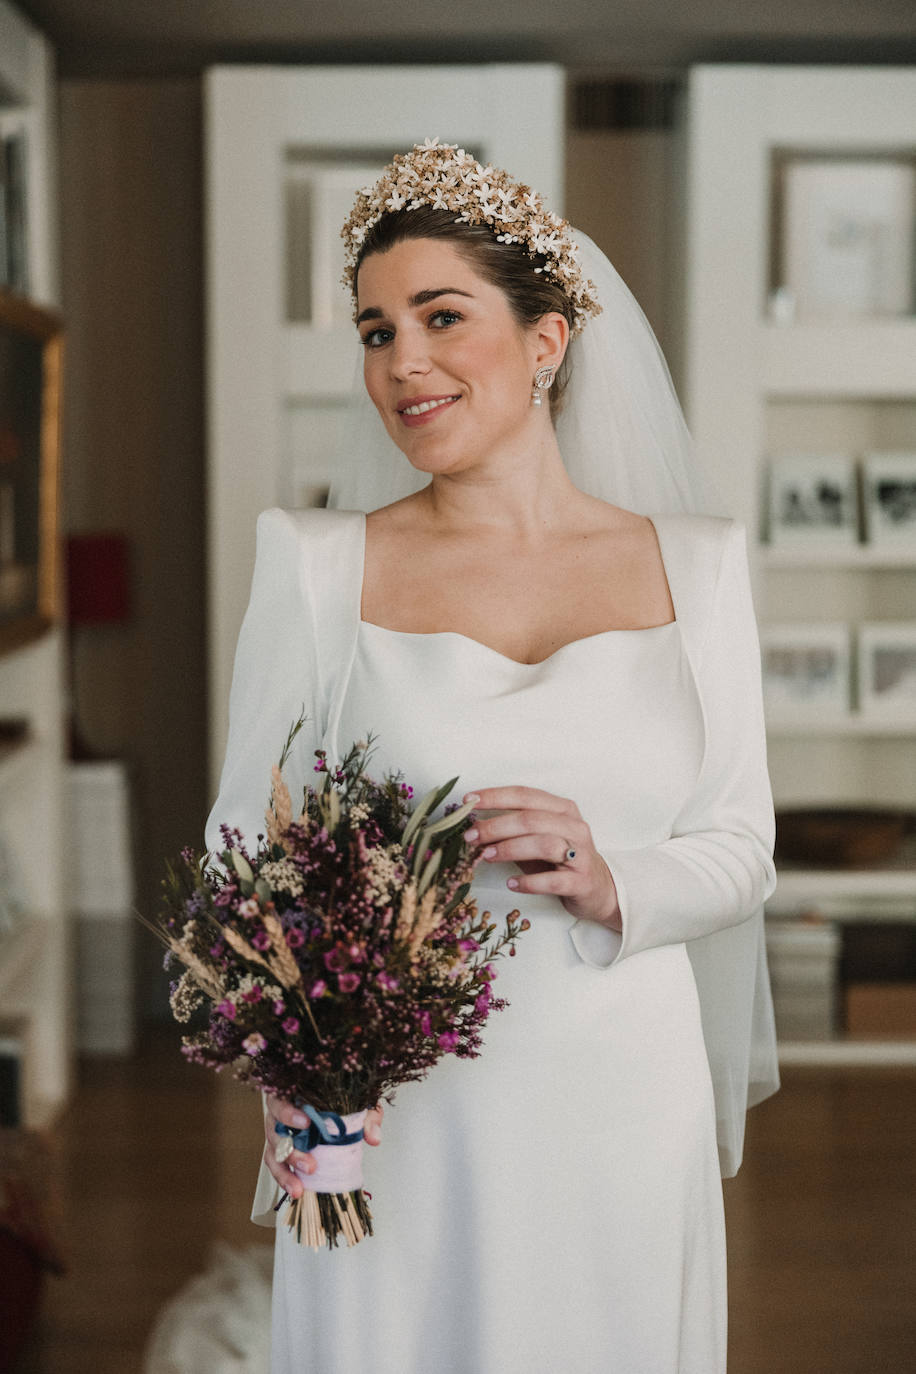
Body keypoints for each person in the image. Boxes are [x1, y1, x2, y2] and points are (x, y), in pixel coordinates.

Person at [206, 140, 778, 1374]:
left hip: (620, 1088)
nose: (401, 359)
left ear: (547, 340)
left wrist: (613, 876)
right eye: (373, 328)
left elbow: (741, 846)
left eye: (441, 316)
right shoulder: (313, 565)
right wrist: (297, 1069)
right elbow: (239, 857)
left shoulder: (702, 563)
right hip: (392, 1109)